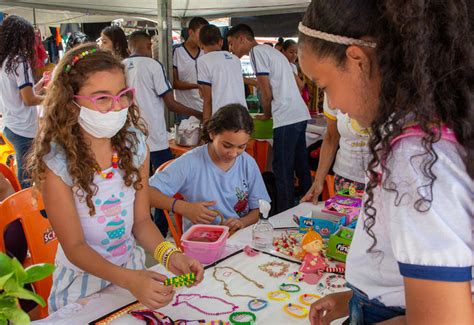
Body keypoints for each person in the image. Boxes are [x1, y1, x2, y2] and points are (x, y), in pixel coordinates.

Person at [297, 1, 473, 324]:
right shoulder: (426, 128)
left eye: (325, 87)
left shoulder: (415, 159)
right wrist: (351, 299)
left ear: (357, 60)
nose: (332, 104)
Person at [27, 44, 203, 313]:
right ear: (71, 104)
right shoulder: (58, 164)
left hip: (130, 273)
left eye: (122, 95)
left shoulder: (134, 148)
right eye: (102, 98)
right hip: (81, 286)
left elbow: (142, 221)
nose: (117, 106)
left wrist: (170, 256)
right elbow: (74, 247)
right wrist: (131, 280)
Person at [123, 31, 202, 236]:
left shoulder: (120, 66)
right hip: (155, 139)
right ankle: (159, 229)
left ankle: (137, 226)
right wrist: (198, 113)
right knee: (161, 186)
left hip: (129, 139)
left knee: (133, 185)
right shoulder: (152, 65)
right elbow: (171, 103)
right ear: (149, 45)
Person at [227, 24, 312, 213]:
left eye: (232, 44)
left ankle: (284, 213)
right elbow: (295, 86)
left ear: (243, 39)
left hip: (286, 116)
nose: (231, 49)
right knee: (301, 165)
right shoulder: (273, 53)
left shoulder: (257, 53)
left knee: (282, 169)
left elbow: (265, 91)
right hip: (299, 113)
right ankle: (308, 207)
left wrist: (266, 114)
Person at [149, 104, 271, 234]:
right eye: (227, 145)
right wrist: (183, 207)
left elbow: (259, 208)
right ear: (212, 134)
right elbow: (146, 193)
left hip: (238, 238)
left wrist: (242, 222)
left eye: (241, 147)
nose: (234, 153)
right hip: (201, 241)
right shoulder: (190, 162)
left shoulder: (247, 163)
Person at [0, 15, 44, 188]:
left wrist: (39, 86)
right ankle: (28, 211)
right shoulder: (19, 61)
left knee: (26, 170)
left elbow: (19, 95)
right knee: (27, 176)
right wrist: (54, 97)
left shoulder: (4, 61)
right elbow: (29, 100)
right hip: (23, 128)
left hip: (10, 125)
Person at [301, 96, 370, 203]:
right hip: (348, 181)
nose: (332, 105)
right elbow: (331, 137)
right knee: (348, 218)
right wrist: (318, 181)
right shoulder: (330, 89)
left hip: (388, 183)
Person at [197, 24, 247, 122]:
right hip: (243, 115)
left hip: (223, 117)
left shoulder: (203, 61)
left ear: (200, 44)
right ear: (221, 42)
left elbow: (208, 99)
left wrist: (206, 124)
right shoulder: (235, 59)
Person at [172, 17, 209, 119]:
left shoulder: (206, 52)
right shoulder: (177, 52)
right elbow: (174, 83)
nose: (204, 38)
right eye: (201, 33)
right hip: (185, 111)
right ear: (191, 32)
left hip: (205, 110)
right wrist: (197, 86)